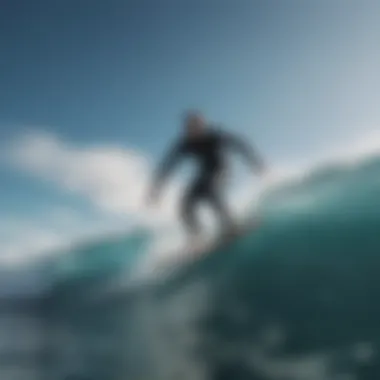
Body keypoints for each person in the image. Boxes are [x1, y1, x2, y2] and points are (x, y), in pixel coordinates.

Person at [147, 111, 266, 242]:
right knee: (185, 203)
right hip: (204, 174)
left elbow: (240, 144)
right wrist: (156, 190)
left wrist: (256, 163)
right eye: (191, 126)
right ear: (186, 128)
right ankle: (197, 236)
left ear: (203, 125)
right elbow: (167, 166)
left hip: (222, 170)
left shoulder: (214, 136)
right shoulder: (185, 144)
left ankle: (231, 226)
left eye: (198, 125)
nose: (195, 129)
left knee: (211, 189)